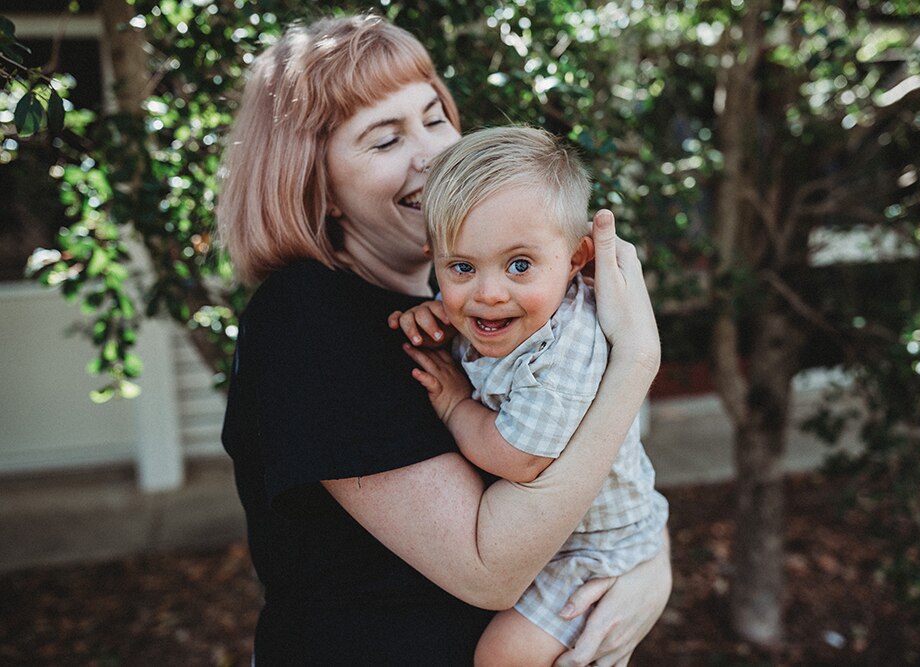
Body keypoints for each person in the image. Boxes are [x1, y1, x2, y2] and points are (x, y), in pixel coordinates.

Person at [217, 13, 671, 666]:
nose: (431, 153)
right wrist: (637, 363)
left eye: (434, 118)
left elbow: (600, 464)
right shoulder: (306, 317)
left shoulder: (464, 303)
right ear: (321, 185)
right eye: (385, 140)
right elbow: (491, 568)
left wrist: (650, 562)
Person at [389, 126, 670, 666]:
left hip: (596, 543)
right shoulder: (509, 310)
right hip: (565, 529)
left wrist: (452, 405)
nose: (489, 293)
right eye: (462, 268)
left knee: (503, 657)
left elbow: (518, 458)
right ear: (435, 261)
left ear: (576, 259)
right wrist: (441, 318)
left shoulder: (564, 355)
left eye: (519, 265)